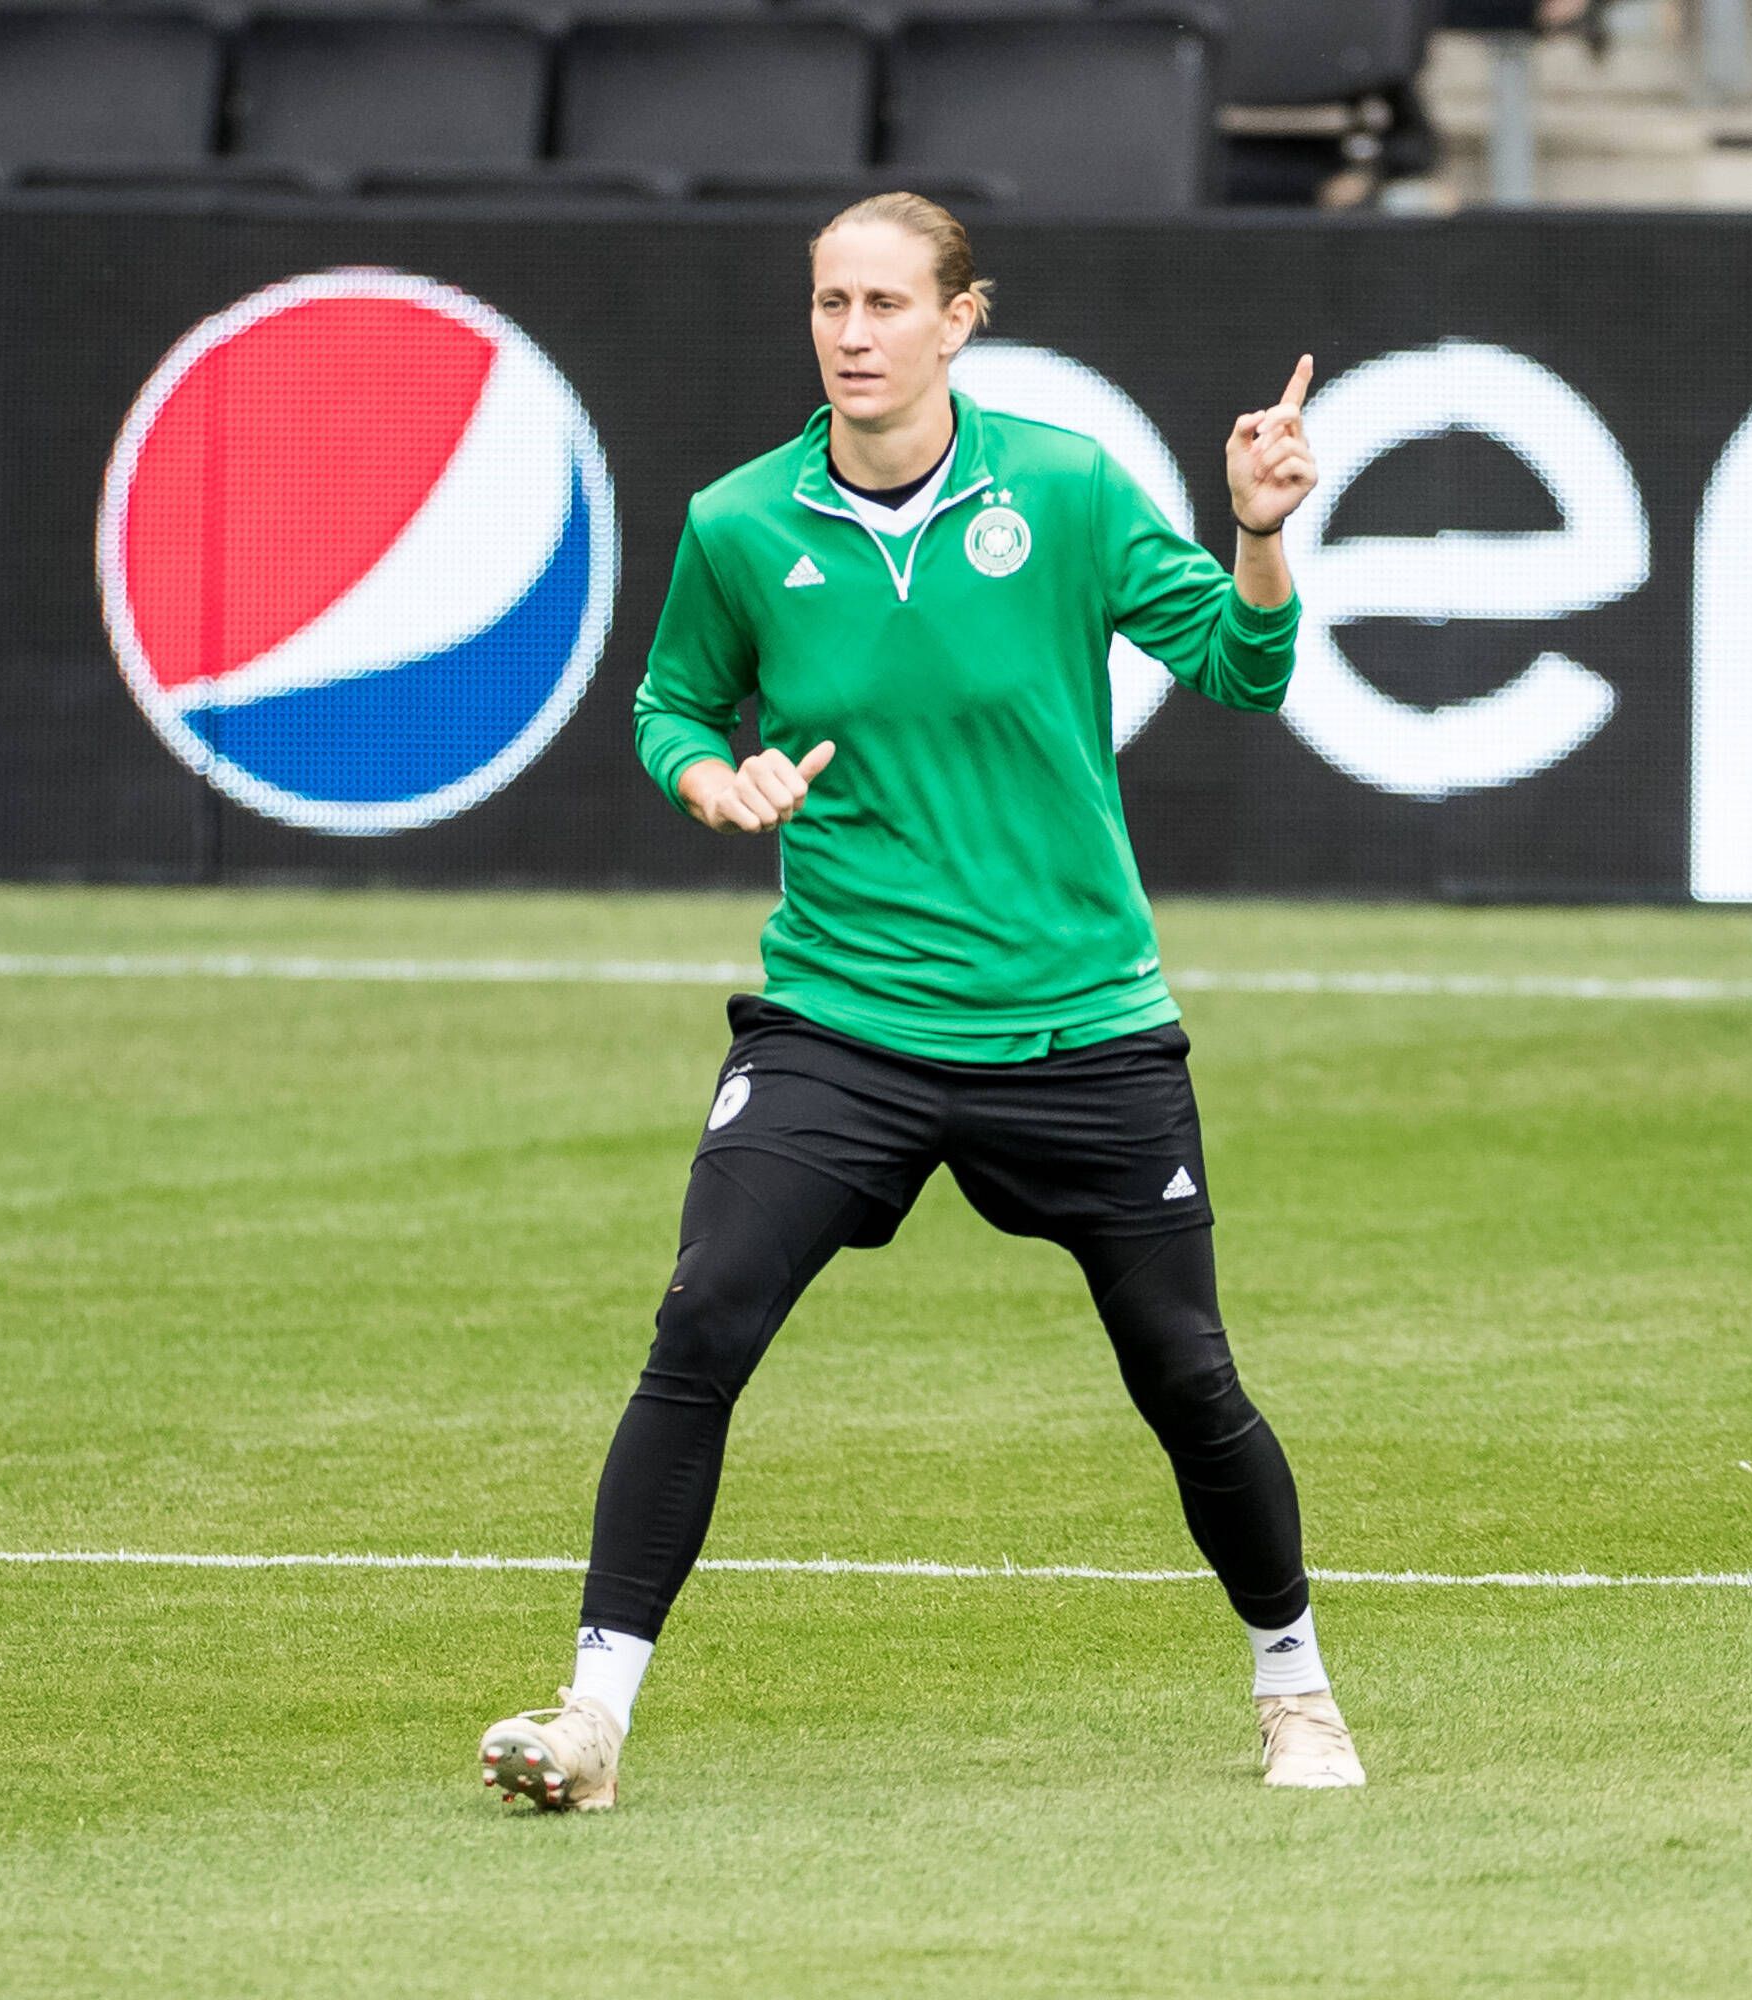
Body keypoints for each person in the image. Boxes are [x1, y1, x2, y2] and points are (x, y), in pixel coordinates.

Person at [477, 192, 1359, 1810]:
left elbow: (1248, 672)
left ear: (962, 319)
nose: (854, 333)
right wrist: (707, 780)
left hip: (1077, 1023)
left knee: (1185, 1376)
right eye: (830, 302)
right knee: (701, 1320)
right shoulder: (743, 522)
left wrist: (1257, 531)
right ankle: (589, 1718)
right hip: (843, 1022)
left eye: (887, 303)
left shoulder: (1071, 489)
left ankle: (1294, 1684)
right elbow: (671, 702)